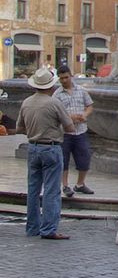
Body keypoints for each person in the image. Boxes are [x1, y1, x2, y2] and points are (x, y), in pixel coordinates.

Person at [15, 66, 75, 239]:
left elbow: (20, 127)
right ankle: (49, 229)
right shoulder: (54, 103)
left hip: (32, 147)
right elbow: (70, 127)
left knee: (33, 189)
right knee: (51, 190)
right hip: (51, 147)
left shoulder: (26, 102)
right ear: (50, 86)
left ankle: (32, 227)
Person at [54, 64, 94, 197]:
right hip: (64, 133)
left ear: (71, 76)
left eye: (66, 77)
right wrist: (70, 117)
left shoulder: (81, 90)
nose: (64, 80)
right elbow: (55, 113)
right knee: (63, 160)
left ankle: (80, 184)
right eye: (61, 79)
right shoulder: (57, 94)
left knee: (84, 157)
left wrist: (85, 115)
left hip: (80, 131)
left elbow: (89, 106)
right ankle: (65, 186)